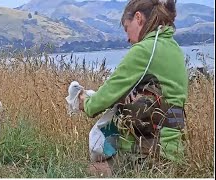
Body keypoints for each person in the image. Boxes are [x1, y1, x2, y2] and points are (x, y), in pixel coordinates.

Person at [78, 0, 188, 176]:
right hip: (173, 151)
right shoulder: (174, 48)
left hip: (149, 154)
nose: (128, 38)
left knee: (87, 172)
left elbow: (102, 99)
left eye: (126, 28)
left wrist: (85, 101)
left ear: (138, 18)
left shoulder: (144, 50)